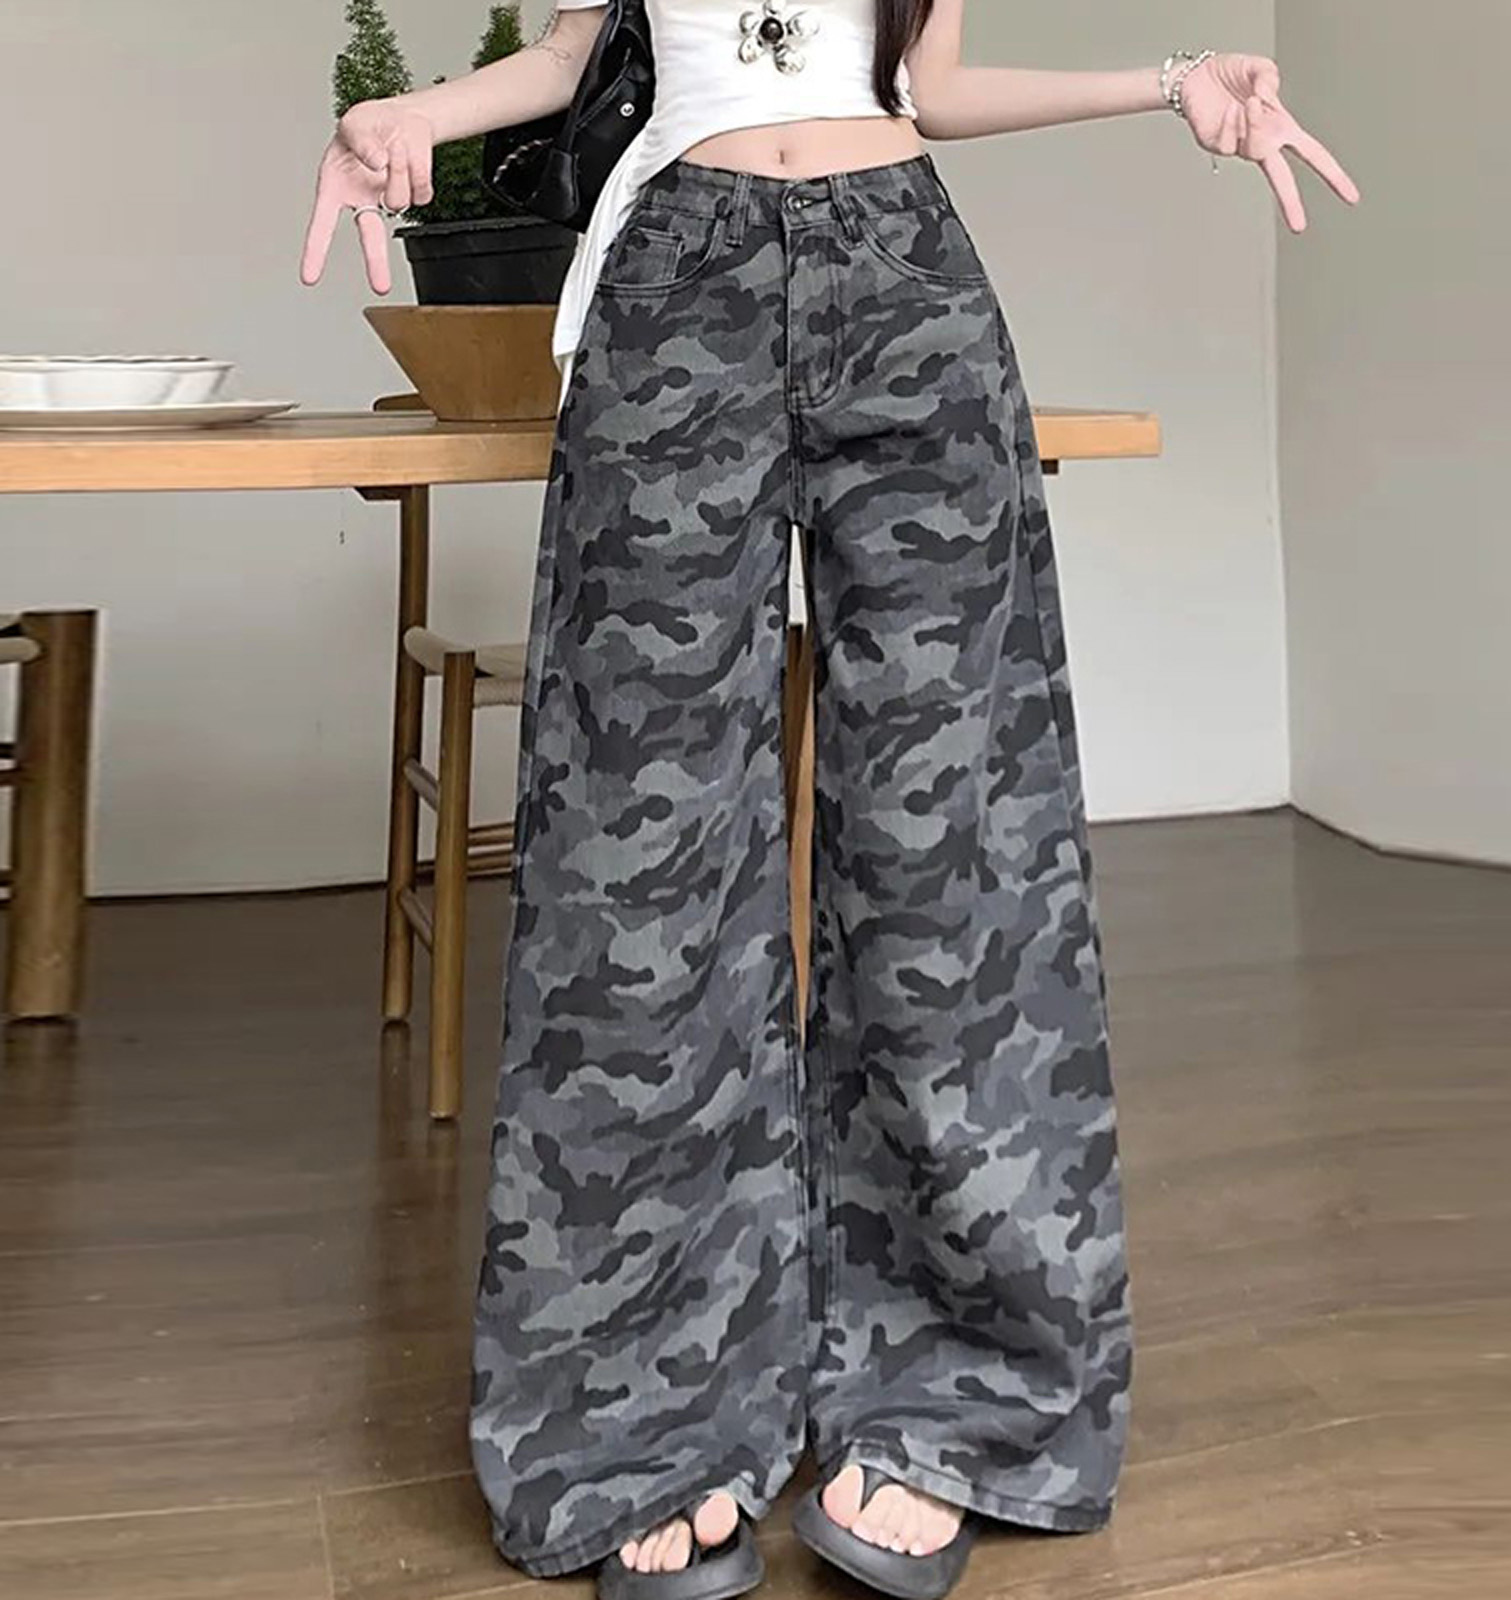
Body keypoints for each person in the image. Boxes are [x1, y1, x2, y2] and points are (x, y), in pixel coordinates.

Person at [301, 4, 1357, 1596]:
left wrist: (1169, 86)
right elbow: (581, 53)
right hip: (676, 289)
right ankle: (638, 1420)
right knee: (637, 874)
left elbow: (929, 85)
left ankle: (958, 1399)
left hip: (905, 286)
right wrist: (416, 118)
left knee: (953, 854)